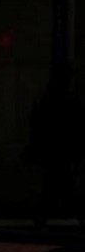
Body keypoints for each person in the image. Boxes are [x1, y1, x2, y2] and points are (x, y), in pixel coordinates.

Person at [24, 65, 85, 227]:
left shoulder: (46, 98)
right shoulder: (64, 100)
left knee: (54, 186)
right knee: (63, 187)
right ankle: (76, 216)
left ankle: (41, 218)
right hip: (58, 150)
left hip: (52, 150)